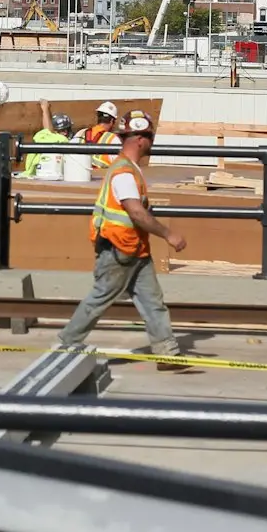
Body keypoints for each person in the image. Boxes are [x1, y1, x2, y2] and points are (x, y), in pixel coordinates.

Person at [56, 110, 190, 369]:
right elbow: (136, 213)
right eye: (150, 137)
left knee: (153, 302)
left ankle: (166, 353)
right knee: (100, 298)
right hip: (118, 250)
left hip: (135, 251)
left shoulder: (130, 169)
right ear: (140, 139)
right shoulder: (124, 173)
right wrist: (168, 234)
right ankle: (66, 344)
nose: (152, 142)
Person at [81, 100, 122, 169]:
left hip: (79, 175)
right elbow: (120, 167)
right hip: (101, 178)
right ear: (112, 121)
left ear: (98, 117)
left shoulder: (80, 133)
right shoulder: (113, 139)